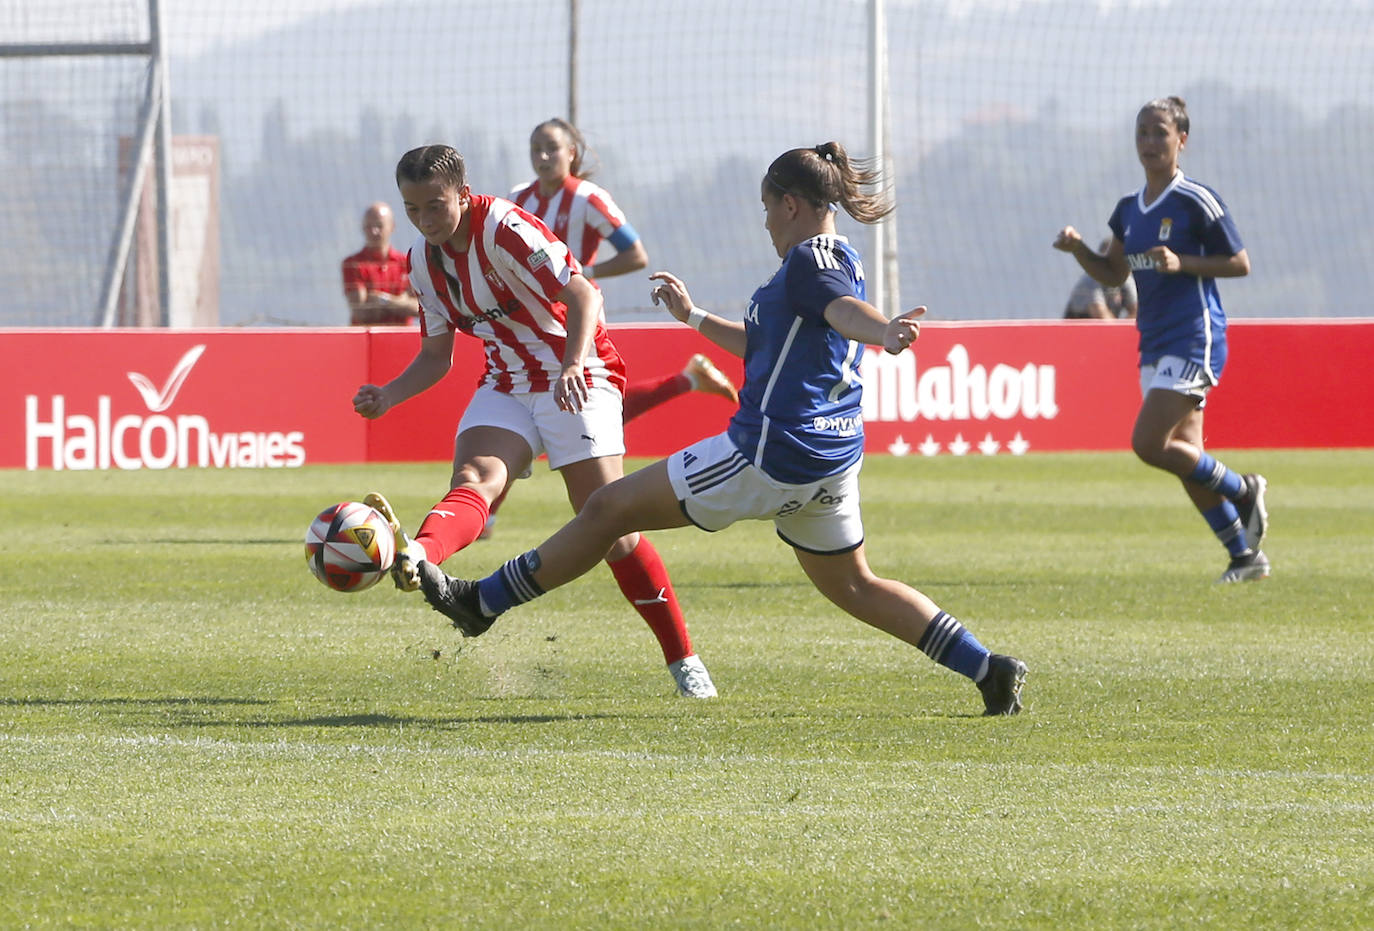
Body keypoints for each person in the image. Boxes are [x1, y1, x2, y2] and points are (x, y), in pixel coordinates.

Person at [416, 141, 1029, 716]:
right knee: (853, 584)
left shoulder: (812, 262)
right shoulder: (839, 255)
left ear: (790, 205)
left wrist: (885, 332)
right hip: (832, 456)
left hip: (770, 450)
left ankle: (481, 602)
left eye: (768, 209)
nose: (765, 223)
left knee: (605, 510)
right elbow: (766, 342)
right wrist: (694, 317)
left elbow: (844, 310)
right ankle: (987, 668)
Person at [352, 144, 716, 698]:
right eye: (412, 209)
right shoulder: (422, 263)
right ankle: (421, 556)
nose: (424, 221)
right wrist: (388, 395)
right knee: (475, 477)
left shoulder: (503, 227)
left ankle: (683, 659)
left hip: (580, 371)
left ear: (463, 193)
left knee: (612, 528)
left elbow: (583, 294)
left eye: (435, 205)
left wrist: (572, 362)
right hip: (507, 382)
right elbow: (435, 356)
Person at [477, 118, 738, 538]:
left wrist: (581, 270)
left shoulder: (587, 199)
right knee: (528, 407)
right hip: (526, 326)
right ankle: (685, 381)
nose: (542, 157)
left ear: (571, 154)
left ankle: (491, 512)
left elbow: (636, 254)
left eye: (551, 148)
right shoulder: (516, 199)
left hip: (577, 323)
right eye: (535, 149)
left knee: (570, 409)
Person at [1053, 95, 1269, 583]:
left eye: (1160, 132)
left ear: (1182, 140)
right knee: (1187, 456)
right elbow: (1112, 273)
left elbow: (1240, 263)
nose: (1150, 142)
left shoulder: (1197, 201)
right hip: (1153, 340)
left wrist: (1183, 262)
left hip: (1196, 336)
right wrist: (1078, 249)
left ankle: (1243, 489)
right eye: (1142, 133)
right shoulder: (1129, 209)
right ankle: (1243, 555)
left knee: (1149, 443)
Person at [341, 202, 420, 326]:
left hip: (401, 339)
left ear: (392, 227)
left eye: (379, 225)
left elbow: (421, 308)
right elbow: (361, 312)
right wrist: (402, 301)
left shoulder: (406, 263)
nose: (374, 231)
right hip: (367, 340)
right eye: (369, 226)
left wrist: (383, 300)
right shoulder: (353, 264)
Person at [1063, 238, 1137, 319]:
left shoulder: (1125, 278)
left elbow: (1137, 312)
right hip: (1077, 330)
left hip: (1105, 329)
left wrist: (1125, 329)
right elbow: (1102, 318)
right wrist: (1123, 329)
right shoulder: (1090, 280)